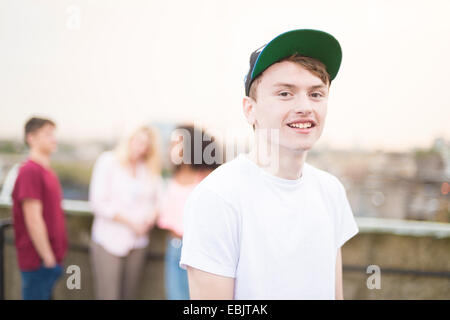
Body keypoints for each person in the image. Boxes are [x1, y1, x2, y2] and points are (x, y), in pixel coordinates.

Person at [180, 29, 359, 299]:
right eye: (285, 93)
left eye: (316, 94)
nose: (305, 107)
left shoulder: (331, 191)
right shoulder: (217, 198)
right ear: (250, 109)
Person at [89, 125, 162, 300]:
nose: (141, 147)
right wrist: (131, 223)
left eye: (146, 144)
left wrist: (150, 218)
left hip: (138, 243)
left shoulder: (148, 169)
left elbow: (160, 199)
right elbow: (98, 202)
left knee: (130, 295)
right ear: (128, 140)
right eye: (138, 141)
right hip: (109, 241)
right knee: (109, 295)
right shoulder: (108, 161)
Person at [157, 125, 220, 299]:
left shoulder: (209, 177)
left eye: (179, 143)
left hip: (199, 249)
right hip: (174, 247)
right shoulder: (172, 177)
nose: (173, 148)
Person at [12, 117, 67, 300]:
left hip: (50, 260)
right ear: (31, 138)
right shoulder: (30, 171)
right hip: (39, 262)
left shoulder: (47, 171)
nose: (54, 139)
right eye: (47, 134)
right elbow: (33, 219)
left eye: (54, 134)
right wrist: (48, 257)